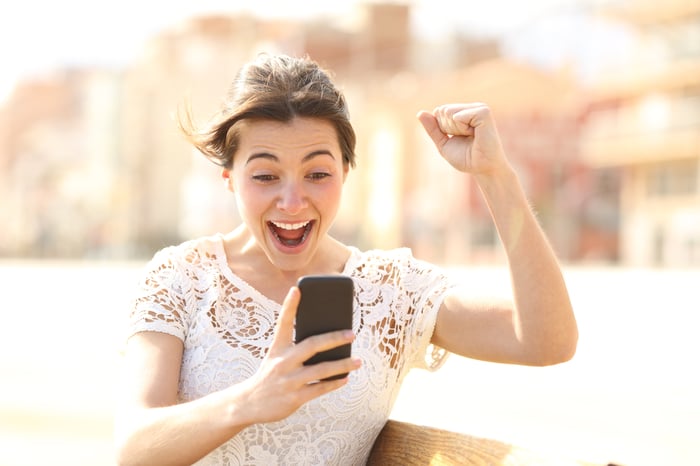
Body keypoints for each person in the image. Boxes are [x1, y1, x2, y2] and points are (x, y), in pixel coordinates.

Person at [114, 53, 578, 466]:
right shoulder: (181, 276)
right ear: (229, 179)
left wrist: (494, 175)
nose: (292, 202)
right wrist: (253, 399)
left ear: (346, 173)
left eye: (317, 173)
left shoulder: (391, 290)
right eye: (265, 175)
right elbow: (133, 447)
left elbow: (545, 341)